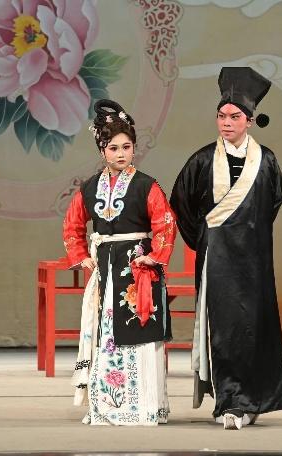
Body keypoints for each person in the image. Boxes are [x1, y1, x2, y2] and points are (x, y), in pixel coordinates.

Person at [170, 67, 282, 430]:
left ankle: (252, 399)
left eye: (234, 117)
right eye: (221, 116)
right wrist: (206, 239)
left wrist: (250, 232)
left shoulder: (267, 161)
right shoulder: (203, 160)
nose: (226, 122)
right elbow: (181, 203)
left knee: (253, 326)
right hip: (217, 258)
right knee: (223, 328)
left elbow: (273, 202)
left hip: (254, 259)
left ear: (250, 121)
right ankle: (231, 401)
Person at [63, 99, 177, 426]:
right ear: (102, 151)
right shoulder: (89, 188)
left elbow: (165, 222)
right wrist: (82, 257)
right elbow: (72, 225)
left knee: (141, 332)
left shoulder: (146, 185)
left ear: (134, 148)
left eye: (127, 147)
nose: (121, 154)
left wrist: (154, 257)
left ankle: (145, 407)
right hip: (106, 269)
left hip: (138, 271)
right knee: (107, 333)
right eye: (113, 148)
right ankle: (107, 406)